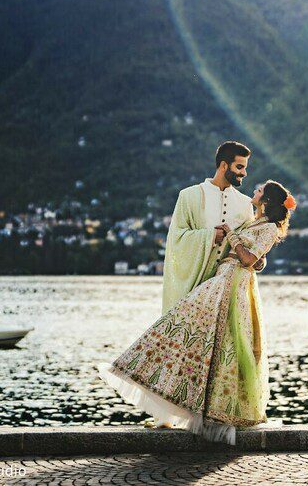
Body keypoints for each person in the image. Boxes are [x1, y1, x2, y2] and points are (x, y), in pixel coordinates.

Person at [100, 179, 296, 445]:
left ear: (267, 201)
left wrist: (232, 237)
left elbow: (249, 259)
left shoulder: (270, 227)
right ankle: (169, 387)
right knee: (185, 323)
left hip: (233, 283)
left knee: (224, 341)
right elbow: (258, 259)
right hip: (224, 277)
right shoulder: (255, 222)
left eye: (259, 190)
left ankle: (216, 410)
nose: (254, 190)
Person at [161, 141, 264, 315]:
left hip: (228, 291)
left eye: (245, 168)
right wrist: (209, 236)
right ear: (224, 165)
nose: (244, 173)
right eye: (239, 167)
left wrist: (259, 261)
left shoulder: (245, 203)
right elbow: (176, 237)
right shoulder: (188, 196)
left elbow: (250, 242)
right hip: (194, 288)